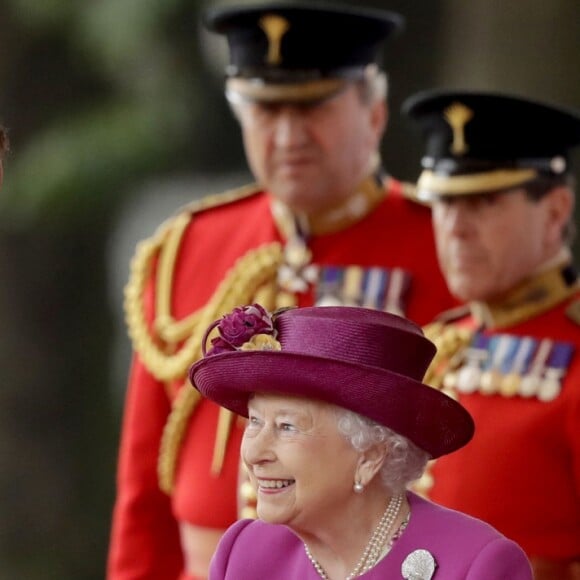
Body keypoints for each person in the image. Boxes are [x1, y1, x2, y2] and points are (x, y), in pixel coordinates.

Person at [107, 4, 456, 579]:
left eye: (315, 107)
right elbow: (144, 497)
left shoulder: (445, 250)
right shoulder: (187, 251)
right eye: (267, 110)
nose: (290, 135)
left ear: (374, 112)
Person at [188, 303, 532, 579]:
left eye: (287, 427)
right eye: (255, 422)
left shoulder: (477, 566)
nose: (254, 453)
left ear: (370, 454)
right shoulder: (244, 552)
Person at [402, 89, 580, 579]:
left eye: (482, 202)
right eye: (443, 202)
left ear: (555, 211)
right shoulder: (436, 345)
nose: (455, 228)